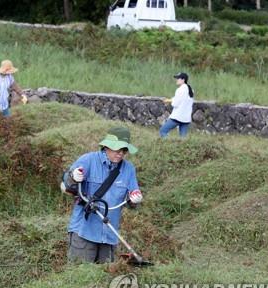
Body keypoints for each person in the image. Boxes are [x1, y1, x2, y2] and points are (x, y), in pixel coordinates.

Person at [61, 127, 143, 263]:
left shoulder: (128, 169)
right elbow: (67, 184)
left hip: (109, 234)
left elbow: (133, 196)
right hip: (84, 231)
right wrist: (73, 177)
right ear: (106, 147)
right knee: (80, 276)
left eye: (124, 150)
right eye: (117, 149)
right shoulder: (88, 160)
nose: (120, 154)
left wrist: (134, 199)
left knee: (103, 278)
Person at [159, 72, 194, 138]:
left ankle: (168, 145)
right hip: (186, 118)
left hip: (178, 117)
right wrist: (169, 100)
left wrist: (168, 101)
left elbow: (176, 103)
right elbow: (181, 100)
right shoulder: (191, 90)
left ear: (183, 80)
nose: (176, 80)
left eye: (178, 78)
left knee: (162, 131)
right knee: (183, 138)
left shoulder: (180, 90)